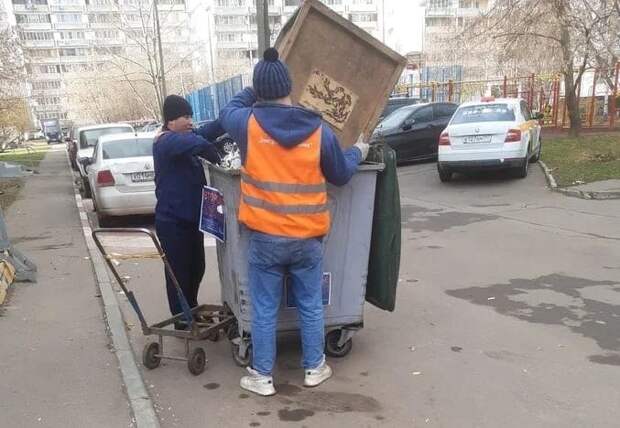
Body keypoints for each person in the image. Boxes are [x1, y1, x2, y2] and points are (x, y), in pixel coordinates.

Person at [219, 48, 369, 396]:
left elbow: (228, 109)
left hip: (266, 239)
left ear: (259, 90)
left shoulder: (247, 124)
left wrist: (254, 90)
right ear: (290, 85)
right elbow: (342, 173)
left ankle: (262, 376)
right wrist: (359, 150)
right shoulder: (318, 129)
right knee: (310, 304)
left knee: (265, 308)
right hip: (307, 240)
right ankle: (315, 367)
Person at [153, 95, 223, 328]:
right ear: (171, 120)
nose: (190, 121)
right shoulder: (166, 141)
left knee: (197, 268)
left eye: (191, 116)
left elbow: (205, 133)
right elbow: (199, 143)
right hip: (173, 222)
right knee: (178, 274)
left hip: (192, 220)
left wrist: (227, 119)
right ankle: (182, 319)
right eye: (185, 116)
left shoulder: (184, 137)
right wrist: (215, 153)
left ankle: (191, 309)